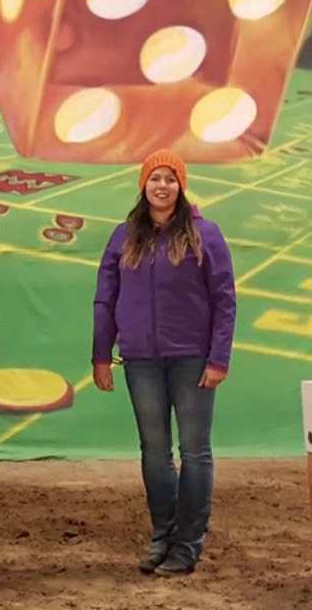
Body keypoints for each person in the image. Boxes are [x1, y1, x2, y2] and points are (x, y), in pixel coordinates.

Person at [91, 149, 237, 577]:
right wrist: (102, 354)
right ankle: (164, 537)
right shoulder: (123, 236)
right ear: (143, 184)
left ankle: (188, 545)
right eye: (155, 178)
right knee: (155, 453)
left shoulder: (205, 234)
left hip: (193, 360)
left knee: (195, 452)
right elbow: (106, 299)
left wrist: (219, 358)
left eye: (170, 179)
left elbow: (225, 301)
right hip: (140, 361)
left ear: (181, 185)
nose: (162, 186)